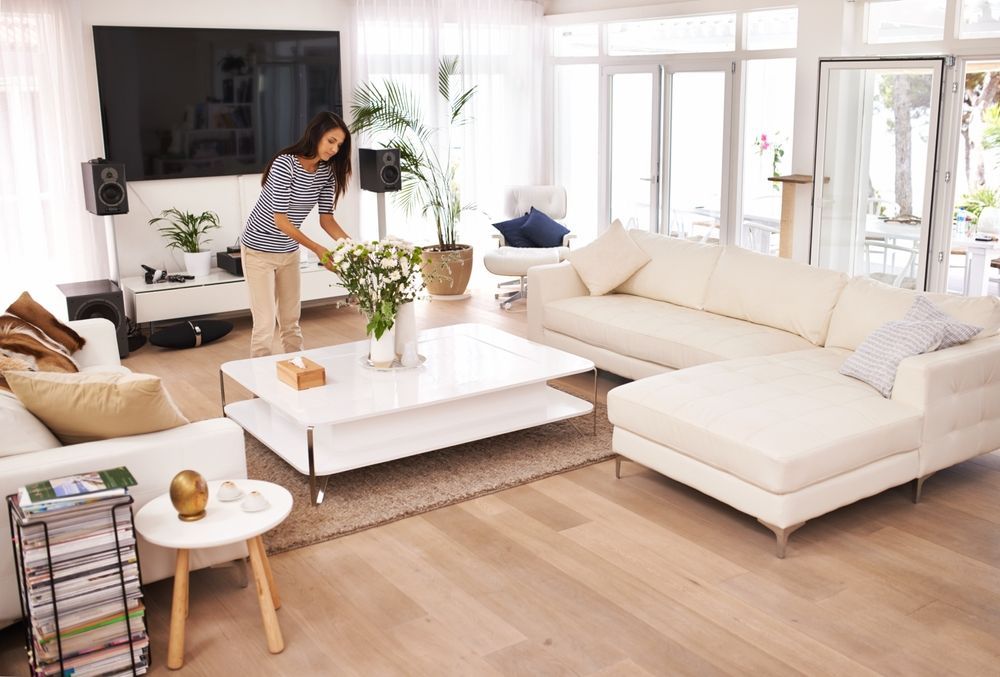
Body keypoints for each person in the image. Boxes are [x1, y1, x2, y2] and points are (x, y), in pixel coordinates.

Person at [240, 111, 352, 356]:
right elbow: (280, 220)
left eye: (339, 145)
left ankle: (296, 377)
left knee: (291, 322)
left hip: (288, 252)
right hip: (258, 251)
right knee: (265, 325)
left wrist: (353, 248)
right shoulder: (286, 164)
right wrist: (318, 249)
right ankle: (258, 391)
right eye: (331, 141)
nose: (334, 149)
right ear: (316, 134)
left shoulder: (326, 173)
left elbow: (327, 220)